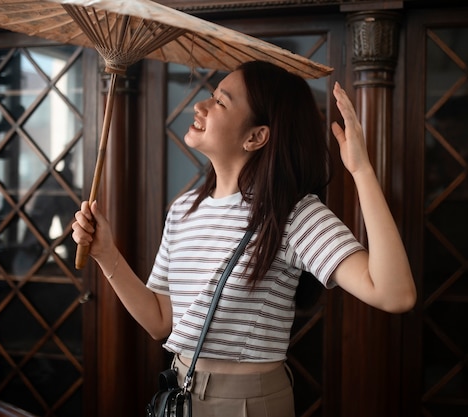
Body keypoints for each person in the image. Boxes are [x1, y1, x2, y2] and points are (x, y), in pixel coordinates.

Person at [72, 60, 416, 417]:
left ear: (256, 137)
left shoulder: (293, 215)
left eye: (220, 102)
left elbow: (395, 294)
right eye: (211, 96)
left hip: (249, 404)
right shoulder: (183, 209)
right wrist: (105, 253)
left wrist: (361, 169)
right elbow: (161, 321)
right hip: (180, 393)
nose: (200, 106)